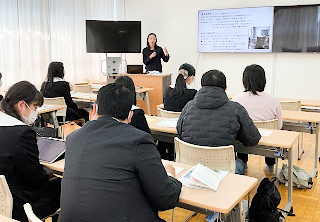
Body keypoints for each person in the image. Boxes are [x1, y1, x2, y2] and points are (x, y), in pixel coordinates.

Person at [58, 83, 182, 222]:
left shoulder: (73, 138)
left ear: (94, 109)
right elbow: (166, 199)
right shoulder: (138, 140)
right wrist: (171, 176)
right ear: (130, 116)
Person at [177, 70, 261, 175]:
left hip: (192, 168)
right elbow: (253, 139)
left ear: (202, 87)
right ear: (225, 88)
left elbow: (179, 133)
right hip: (223, 171)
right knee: (240, 164)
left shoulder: (188, 106)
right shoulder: (236, 108)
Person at [0, 81, 61, 222]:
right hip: (20, 205)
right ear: (22, 105)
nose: (36, 112)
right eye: (35, 106)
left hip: (3, 200)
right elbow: (35, 179)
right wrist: (49, 175)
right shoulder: (22, 133)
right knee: (63, 186)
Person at [232, 64, 282, 174]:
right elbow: (279, 126)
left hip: (243, 143)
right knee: (272, 135)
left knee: (241, 131)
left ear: (244, 80)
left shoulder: (236, 100)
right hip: (268, 144)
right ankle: (270, 166)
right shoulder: (274, 100)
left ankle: (243, 163)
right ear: (263, 80)